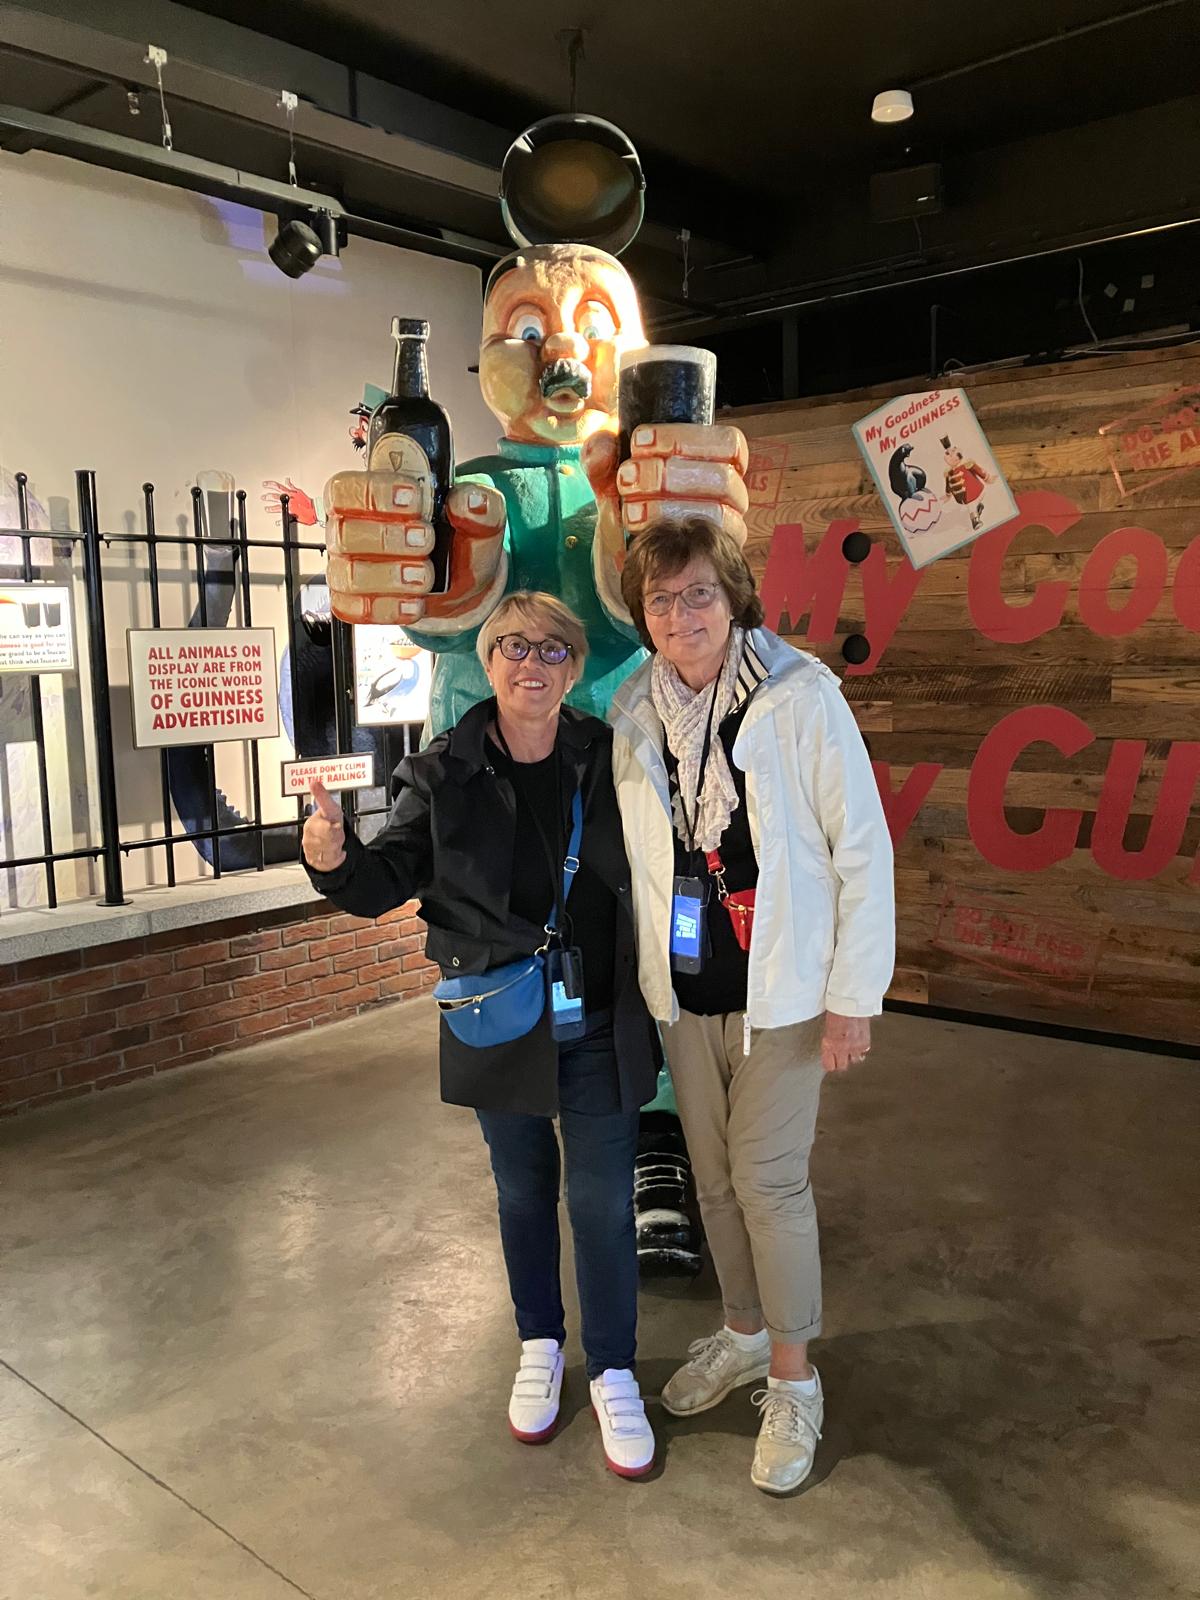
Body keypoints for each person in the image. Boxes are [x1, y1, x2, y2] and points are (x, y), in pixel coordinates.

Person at [301, 591, 660, 1479]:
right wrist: (333, 860)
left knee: (602, 1201)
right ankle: (540, 1344)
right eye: (513, 647)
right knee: (523, 1190)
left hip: (600, 1016)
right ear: (488, 661)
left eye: (552, 650)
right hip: (499, 1016)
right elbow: (385, 880)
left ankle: (614, 1368)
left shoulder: (608, 757)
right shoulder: (440, 773)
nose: (532, 664)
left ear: (574, 668)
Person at [609, 519, 896, 1496]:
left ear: (733, 596)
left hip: (785, 993)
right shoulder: (635, 708)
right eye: (661, 599)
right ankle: (740, 1331)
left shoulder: (799, 696)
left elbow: (862, 849)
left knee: (768, 1183)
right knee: (715, 1183)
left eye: (699, 592)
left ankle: (794, 1377)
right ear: (642, 614)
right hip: (686, 993)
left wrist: (853, 999)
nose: (681, 614)